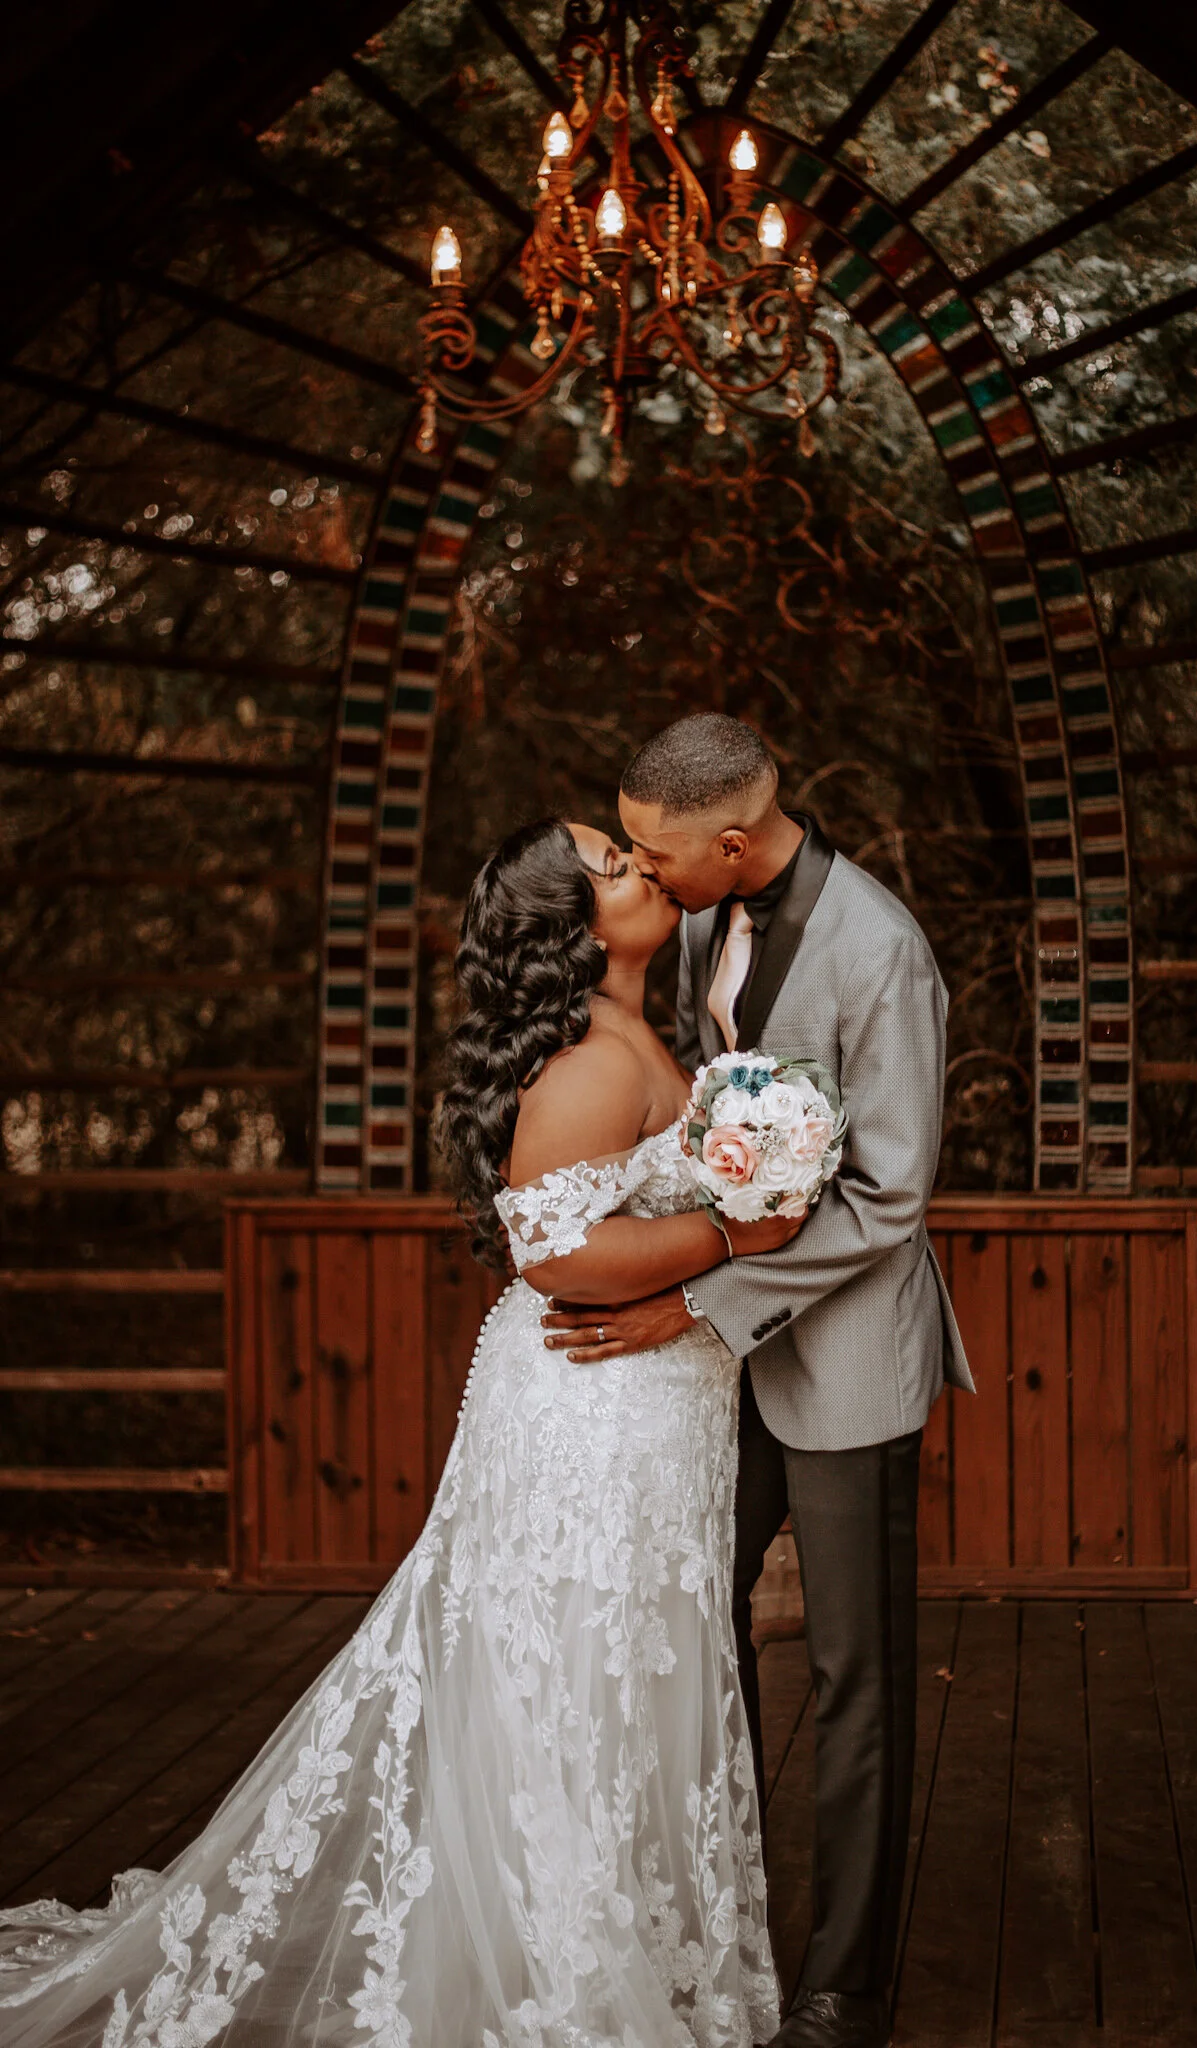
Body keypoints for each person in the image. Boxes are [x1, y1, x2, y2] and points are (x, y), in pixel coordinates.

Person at [0, 816, 800, 2048]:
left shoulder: (646, 1030)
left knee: (618, 1665)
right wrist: (738, 1233)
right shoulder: (594, 1060)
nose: (642, 866)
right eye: (613, 862)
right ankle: (560, 1970)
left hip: (645, 1399)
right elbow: (556, 1254)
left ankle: (604, 1941)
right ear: (573, 931)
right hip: (594, 1411)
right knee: (579, 1668)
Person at [543, 717, 975, 2048]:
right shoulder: (689, 925)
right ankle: (700, 1924)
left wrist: (691, 1296)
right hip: (719, 1372)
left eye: (658, 853)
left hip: (844, 1363)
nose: (643, 872)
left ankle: (846, 1987)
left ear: (733, 842)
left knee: (854, 1677)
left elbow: (887, 1197)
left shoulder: (881, 950)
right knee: (685, 1629)